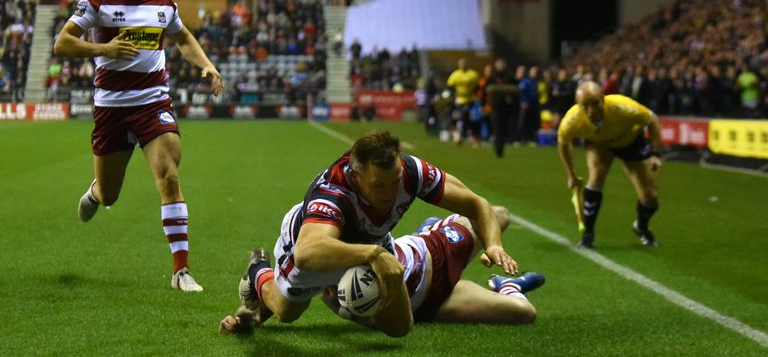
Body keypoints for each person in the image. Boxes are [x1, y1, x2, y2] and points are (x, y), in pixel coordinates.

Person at [219, 131, 520, 337]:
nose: (390, 193)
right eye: (379, 186)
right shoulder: (333, 195)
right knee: (286, 312)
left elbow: (476, 203)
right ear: (358, 176)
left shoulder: (410, 172)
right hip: (315, 245)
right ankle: (257, 270)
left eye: (395, 181)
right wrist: (374, 254)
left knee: (400, 327)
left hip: (369, 241)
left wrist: (494, 245)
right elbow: (308, 252)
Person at [53, 0, 223, 292]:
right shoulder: (97, 2)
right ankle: (96, 192)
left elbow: (183, 38)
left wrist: (207, 65)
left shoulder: (165, 6)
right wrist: (105, 49)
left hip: (152, 103)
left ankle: (181, 271)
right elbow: (63, 43)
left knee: (170, 178)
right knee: (111, 194)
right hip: (111, 107)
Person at [220, 207, 544, 334]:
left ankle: (432, 227)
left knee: (499, 217)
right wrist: (245, 318)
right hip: (433, 305)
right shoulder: (320, 273)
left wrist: (494, 246)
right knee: (522, 312)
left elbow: (497, 213)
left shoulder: (352, 245)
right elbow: (275, 304)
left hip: (434, 253)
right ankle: (507, 286)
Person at [556, 81, 662, 249]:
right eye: (585, 106)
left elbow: (653, 120)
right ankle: (588, 234)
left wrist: (655, 154)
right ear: (578, 105)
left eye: (595, 103)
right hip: (599, 144)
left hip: (630, 141)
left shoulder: (622, 107)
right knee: (596, 174)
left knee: (650, 197)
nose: (591, 110)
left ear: (603, 99)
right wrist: (572, 174)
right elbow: (563, 144)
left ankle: (641, 226)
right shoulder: (571, 120)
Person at [484, 58, 518, 158]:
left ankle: (500, 146)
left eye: (503, 64)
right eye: (499, 64)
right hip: (495, 106)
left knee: (504, 128)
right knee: (497, 127)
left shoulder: (510, 77)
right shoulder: (492, 77)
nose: (501, 66)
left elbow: (516, 90)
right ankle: (498, 147)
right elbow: (486, 91)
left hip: (507, 107)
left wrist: (512, 100)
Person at [446, 58, 480, 147]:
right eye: (461, 64)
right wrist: (454, 95)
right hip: (459, 100)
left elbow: (478, 87)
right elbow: (450, 86)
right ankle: (466, 136)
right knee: (463, 117)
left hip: (470, 100)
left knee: (466, 116)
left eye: (464, 63)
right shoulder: (455, 74)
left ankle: (462, 136)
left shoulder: (473, 74)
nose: (463, 65)